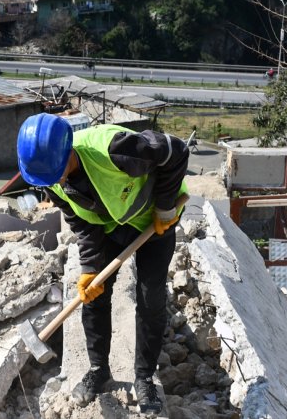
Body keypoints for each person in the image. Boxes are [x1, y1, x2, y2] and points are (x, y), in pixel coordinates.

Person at [17, 113, 188, 413]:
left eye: (56, 172)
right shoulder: (50, 178)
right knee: (94, 294)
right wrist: (90, 268)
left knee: (150, 299)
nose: (54, 182)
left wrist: (164, 207)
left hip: (154, 222)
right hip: (111, 226)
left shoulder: (115, 149)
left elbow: (175, 152)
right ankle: (99, 370)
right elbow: (79, 221)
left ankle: (144, 378)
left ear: (69, 151)